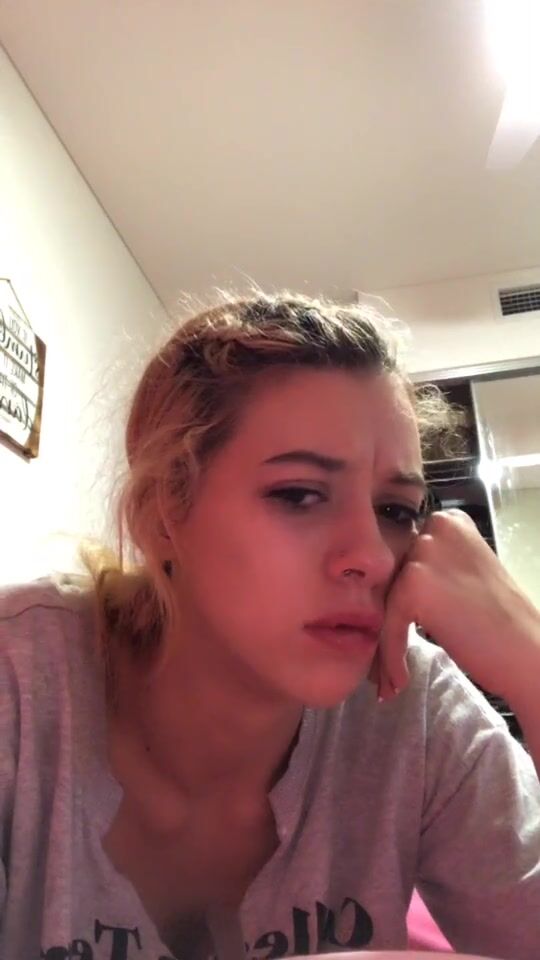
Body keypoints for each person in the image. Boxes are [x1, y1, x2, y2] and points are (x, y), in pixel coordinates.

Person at [1, 292, 539, 960]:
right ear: (163, 512)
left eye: (396, 511)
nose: (373, 557)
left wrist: (532, 664)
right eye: (299, 495)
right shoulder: (20, 680)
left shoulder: (412, 707)